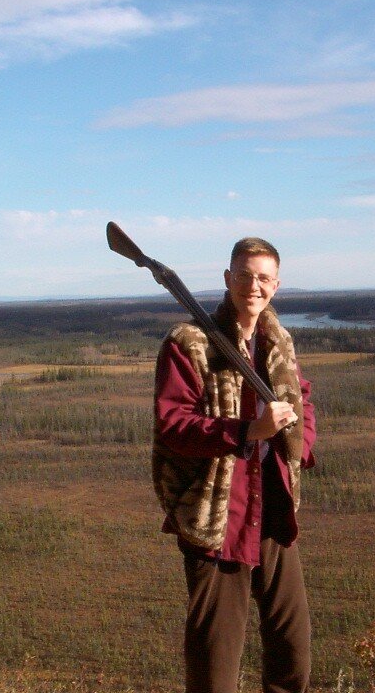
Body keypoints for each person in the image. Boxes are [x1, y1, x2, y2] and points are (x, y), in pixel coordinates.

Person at [152, 236, 317, 693]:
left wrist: (299, 445)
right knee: (215, 661)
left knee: (293, 649)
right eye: (244, 275)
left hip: (275, 514)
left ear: (277, 285)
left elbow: (300, 398)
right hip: (217, 519)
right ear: (228, 279)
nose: (253, 285)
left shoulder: (277, 339)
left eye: (263, 277)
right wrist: (247, 432)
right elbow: (173, 425)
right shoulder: (190, 342)